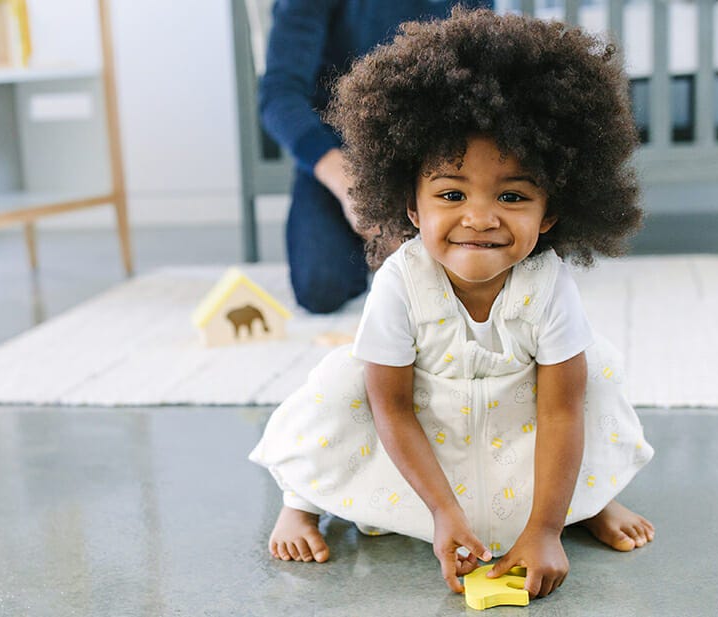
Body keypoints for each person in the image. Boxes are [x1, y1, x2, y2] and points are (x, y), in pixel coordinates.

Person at [249, 8, 655, 599]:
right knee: (344, 384)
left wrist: (543, 530)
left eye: (513, 195)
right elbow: (391, 410)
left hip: (507, 407)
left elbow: (562, 413)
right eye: (451, 193)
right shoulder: (400, 281)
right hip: (419, 414)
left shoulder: (547, 284)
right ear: (411, 209)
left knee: (596, 371)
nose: (481, 217)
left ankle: (583, 502)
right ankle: (304, 503)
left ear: (553, 211)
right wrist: (443, 513)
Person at [260, 0, 491, 314]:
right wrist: (348, 187)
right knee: (322, 286)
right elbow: (279, 94)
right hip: (337, 152)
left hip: (430, 149)